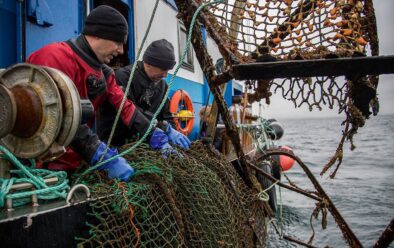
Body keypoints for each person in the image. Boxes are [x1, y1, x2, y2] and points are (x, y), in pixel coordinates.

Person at [27, 5, 178, 181]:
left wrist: (152, 132)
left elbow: (126, 107)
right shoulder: (54, 57)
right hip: (41, 166)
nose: (121, 51)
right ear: (98, 34)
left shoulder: (105, 73)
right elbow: (58, 117)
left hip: (78, 163)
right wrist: (99, 153)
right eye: (118, 42)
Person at [97, 39, 191, 149]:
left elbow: (167, 116)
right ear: (148, 63)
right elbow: (129, 110)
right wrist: (163, 128)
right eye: (163, 69)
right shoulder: (123, 77)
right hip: (114, 144)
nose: (165, 75)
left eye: (168, 70)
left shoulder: (163, 86)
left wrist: (172, 132)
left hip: (144, 146)